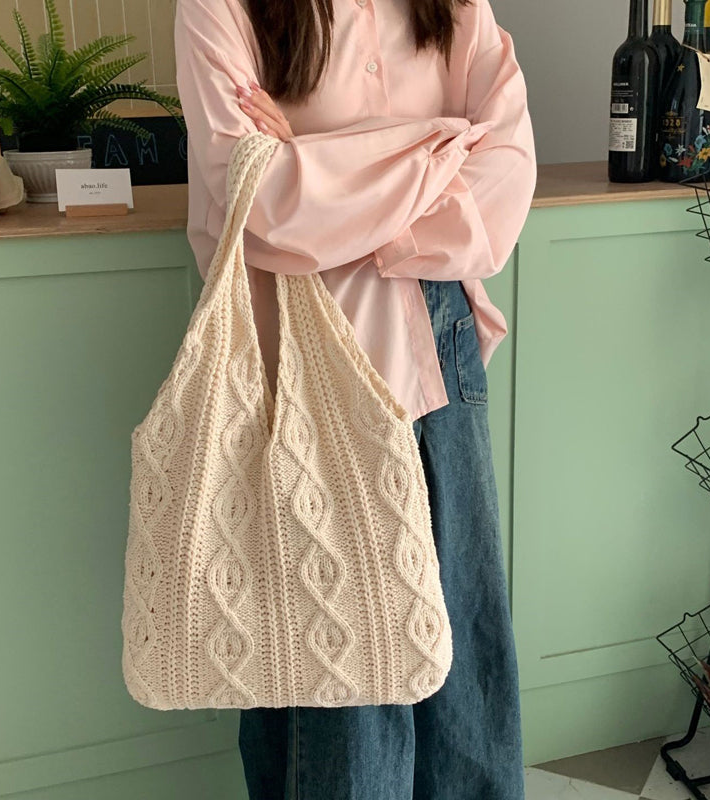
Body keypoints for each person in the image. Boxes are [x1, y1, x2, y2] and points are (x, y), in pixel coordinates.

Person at [173, 0, 536, 796]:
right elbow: (261, 202)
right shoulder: (219, 8)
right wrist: (437, 148)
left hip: (440, 345)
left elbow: (505, 180)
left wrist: (318, 165)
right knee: (339, 665)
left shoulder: (456, 7)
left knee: (464, 641)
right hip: (304, 366)